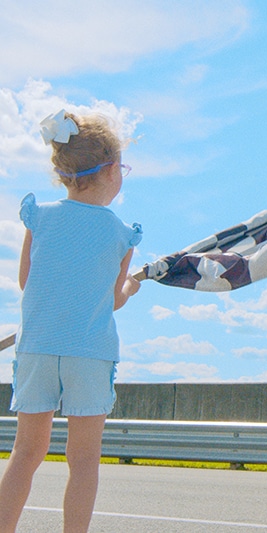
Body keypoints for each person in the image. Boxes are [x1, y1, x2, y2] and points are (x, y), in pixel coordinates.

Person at [0, 109, 142, 532]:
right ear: (113, 170)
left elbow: (28, 281)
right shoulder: (120, 234)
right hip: (89, 353)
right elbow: (112, 301)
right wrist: (131, 289)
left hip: (38, 348)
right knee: (83, 462)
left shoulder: (38, 218)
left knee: (25, 453)